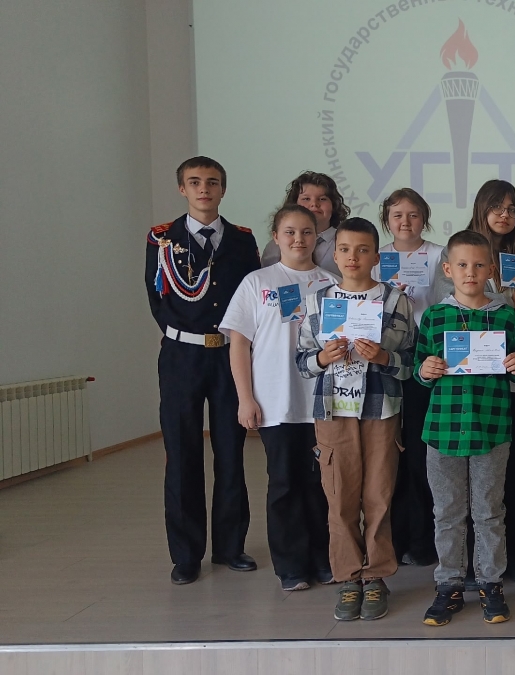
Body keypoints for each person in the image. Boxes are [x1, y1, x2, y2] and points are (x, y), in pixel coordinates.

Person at [145, 156, 260, 585]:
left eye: (212, 182)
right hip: (182, 358)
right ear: (182, 189)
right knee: (182, 455)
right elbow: (156, 298)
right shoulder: (162, 239)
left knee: (231, 452)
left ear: (223, 189)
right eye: (194, 182)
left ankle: (230, 547)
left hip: (229, 357)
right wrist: (184, 336)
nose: (204, 189)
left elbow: (251, 299)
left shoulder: (242, 240)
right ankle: (186, 554)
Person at [295, 217, 415, 622]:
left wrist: (384, 357)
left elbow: (410, 363)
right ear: (334, 253)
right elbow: (302, 361)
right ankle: (348, 577)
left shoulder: (395, 301)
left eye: (363, 250)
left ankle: (376, 575)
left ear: (376, 257)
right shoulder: (317, 302)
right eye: (345, 249)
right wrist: (321, 358)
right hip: (333, 411)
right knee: (340, 496)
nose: (353, 257)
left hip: (382, 410)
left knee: (379, 495)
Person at [416, 229, 515, 626]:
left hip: (491, 429)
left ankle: (490, 583)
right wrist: (425, 369)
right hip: (443, 431)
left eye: (479, 265)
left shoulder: (504, 315)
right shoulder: (434, 317)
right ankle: (448, 584)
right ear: (448, 269)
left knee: (488, 511)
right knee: (447, 512)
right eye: (462, 265)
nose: (471, 272)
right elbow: (419, 369)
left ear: (491, 270)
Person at [221, 205, 337, 591]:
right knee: (284, 484)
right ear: (276, 237)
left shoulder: (331, 284)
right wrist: (245, 399)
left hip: (322, 402)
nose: (298, 239)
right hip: (275, 402)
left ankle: (323, 560)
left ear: (317, 237)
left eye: (306, 232)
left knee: (321, 485)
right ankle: (291, 567)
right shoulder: (257, 282)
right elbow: (239, 343)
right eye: (289, 232)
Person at [374, 188, 445, 569]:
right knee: (388, 454)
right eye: (397, 214)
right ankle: (393, 537)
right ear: (387, 219)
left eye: (413, 214)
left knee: (420, 452)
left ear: (424, 218)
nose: (405, 221)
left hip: (426, 362)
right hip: (385, 360)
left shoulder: (438, 255)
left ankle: (423, 539)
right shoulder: (376, 257)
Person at [260, 171, 349, 276]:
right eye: (306, 199)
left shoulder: (348, 241)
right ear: (294, 204)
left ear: (334, 205)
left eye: (322, 199)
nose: (314, 204)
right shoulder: (275, 247)